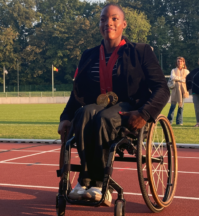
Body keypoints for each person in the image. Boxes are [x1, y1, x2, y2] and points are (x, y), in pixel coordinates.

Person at [57, 3, 169, 206]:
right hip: (97, 107)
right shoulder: (88, 55)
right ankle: (85, 181)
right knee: (83, 114)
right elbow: (78, 94)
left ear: (123, 24)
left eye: (114, 19)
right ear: (99, 25)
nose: (108, 22)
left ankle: (101, 184)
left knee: (104, 118)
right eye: (103, 19)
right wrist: (65, 117)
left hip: (130, 108)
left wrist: (145, 113)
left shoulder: (141, 52)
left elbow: (162, 88)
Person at [167, 57, 190, 125]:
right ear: (176, 63)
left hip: (183, 91)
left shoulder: (186, 71)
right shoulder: (173, 70)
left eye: (181, 61)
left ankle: (179, 121)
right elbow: (172, 77)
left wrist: (177, 79)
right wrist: (181, 79)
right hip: (175, 90)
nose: (179, 62)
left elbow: (187, 80)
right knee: (172, 106)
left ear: (183, 62)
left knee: (181, 107)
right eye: (178, 61)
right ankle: (169, 121)